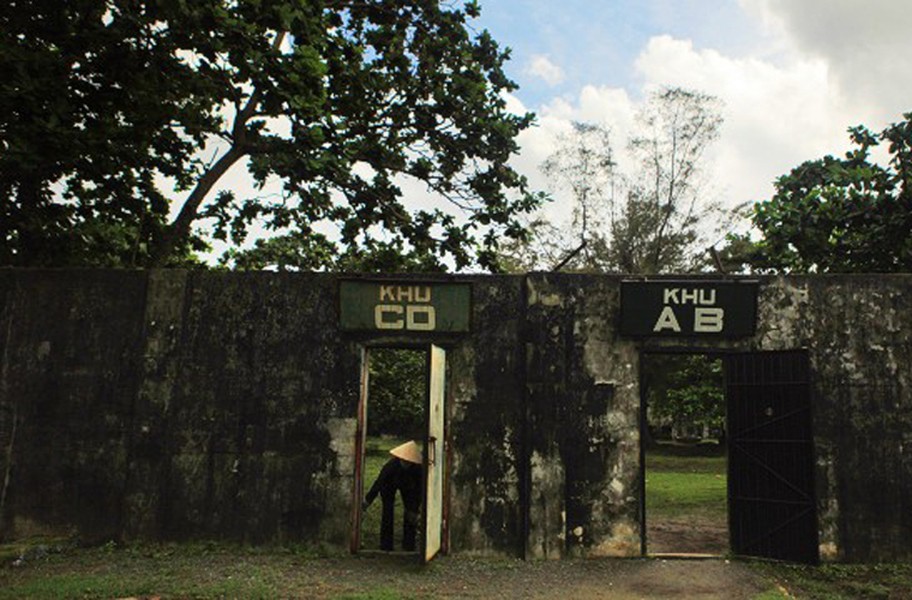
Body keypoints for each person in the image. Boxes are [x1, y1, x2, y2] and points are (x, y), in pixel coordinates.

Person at [362, 440, 422, 551]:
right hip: (389, 485)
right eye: (404, 461)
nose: (406, 463)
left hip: (409, 486)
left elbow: (420, 489)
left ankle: (409, 545)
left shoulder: (418, 470)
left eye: (409, 461)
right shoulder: (390, 467)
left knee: (410, 514)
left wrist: (415, 509)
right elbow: (378, 483)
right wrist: (368, 500)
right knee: (387, 512)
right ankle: (386, 545)